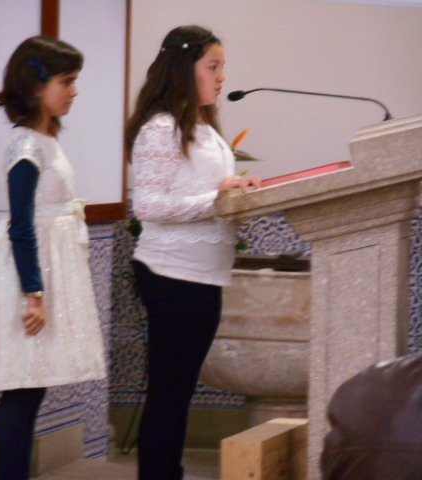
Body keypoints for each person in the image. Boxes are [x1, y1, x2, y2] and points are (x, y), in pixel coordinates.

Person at [125, 25, 261, 480]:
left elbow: (203, 189)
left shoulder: (203, 126)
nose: (222, 77)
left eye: (223, 67)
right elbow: (148, 206)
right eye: (213, 66)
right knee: (169, 393)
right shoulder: (160, 128)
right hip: (172, 274)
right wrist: (218, 199)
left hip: (202, 276)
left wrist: (236, 192)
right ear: (184, 69)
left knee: (179, 392)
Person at [0, 36, 106, 480]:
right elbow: (22, 223)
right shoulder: (24, 145)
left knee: (32, 386)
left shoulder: (45, 138)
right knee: (21, 388)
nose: (74, 90)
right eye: (66, 81)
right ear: (36, 85)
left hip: (46, 269)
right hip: (27, 275)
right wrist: (33, 293)